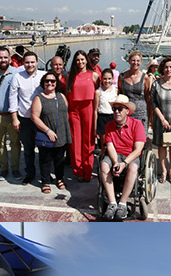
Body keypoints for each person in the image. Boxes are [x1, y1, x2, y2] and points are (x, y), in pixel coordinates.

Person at [100, 93, 145, 221]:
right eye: (114, 109)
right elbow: (110, 146)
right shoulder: (109, 126)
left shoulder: (137, 124)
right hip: (115, 154)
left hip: (130, 155)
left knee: (133, 168)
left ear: (127, 111)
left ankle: (123, 204)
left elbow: (138, 150)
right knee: (104, 165)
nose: (117, 112)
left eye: (120, 109)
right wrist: (116, 162)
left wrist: (124, 163)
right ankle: (112, 203)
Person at [31, 71, 71, 193]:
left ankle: (59, 178)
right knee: (45, 159)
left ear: (56, 83)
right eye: (47, 81)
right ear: (43, 83)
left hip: (61, 133)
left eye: (52, 81)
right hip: (46, 134)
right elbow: (34, 117)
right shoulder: (39, 98)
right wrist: (48, 131)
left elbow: (66, 113)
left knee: (59, 158)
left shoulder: (62, 96)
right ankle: (46, 181)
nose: (50, 83)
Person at [0, 45, 21, 178]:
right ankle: (4, 168)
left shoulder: (17, 73)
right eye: (0, 57)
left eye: (5, 57)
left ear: (9, 58)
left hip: (13, 116)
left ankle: (15, 168)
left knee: (15, 144)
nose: (3, 60)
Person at [9, 49, 40, 185]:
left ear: (37, 63)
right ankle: (30, 173)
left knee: (44, 149)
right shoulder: (17, 77)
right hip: (25, 118)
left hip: (40, 119)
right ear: (23, 63)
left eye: (32, 62)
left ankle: (45, 175)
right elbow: (13, 98)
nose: (30, 65)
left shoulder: (43, 76)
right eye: (27, 62)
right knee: (28, 149)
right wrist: (15, 118)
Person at [66, 51, 99, 182]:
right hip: (73, 109)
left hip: (88, 108)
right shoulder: (70, 76)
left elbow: (98, 93)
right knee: (75, 142)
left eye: (82, 59)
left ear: (87, 60)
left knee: (88, 141)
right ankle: (78, 170)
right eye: (77, 60)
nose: (80, 62)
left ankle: (88, 170)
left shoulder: (94, 75)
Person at [118, 49, 152, 129]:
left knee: (141, 138)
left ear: (141, 62)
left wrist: (150, 117)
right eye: (133, 60)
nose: (135, 63)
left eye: (138, 61)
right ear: (129, 61)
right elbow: (120, 93)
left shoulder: (145, 78)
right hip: (126, 112)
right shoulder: (122, 77)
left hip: (141, 112)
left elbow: (148, 97)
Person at [94, 67, 118, 143]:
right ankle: (103, 154)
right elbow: (95, 110)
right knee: (104, 143)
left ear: (113, 79)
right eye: (105, 79)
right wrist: (95, 128)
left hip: (113, 117)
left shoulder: (116, 90)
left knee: (114, 141)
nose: (107, 81)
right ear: (101, 79)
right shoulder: (98, 92)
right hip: (102, 118)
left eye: (109, 79)